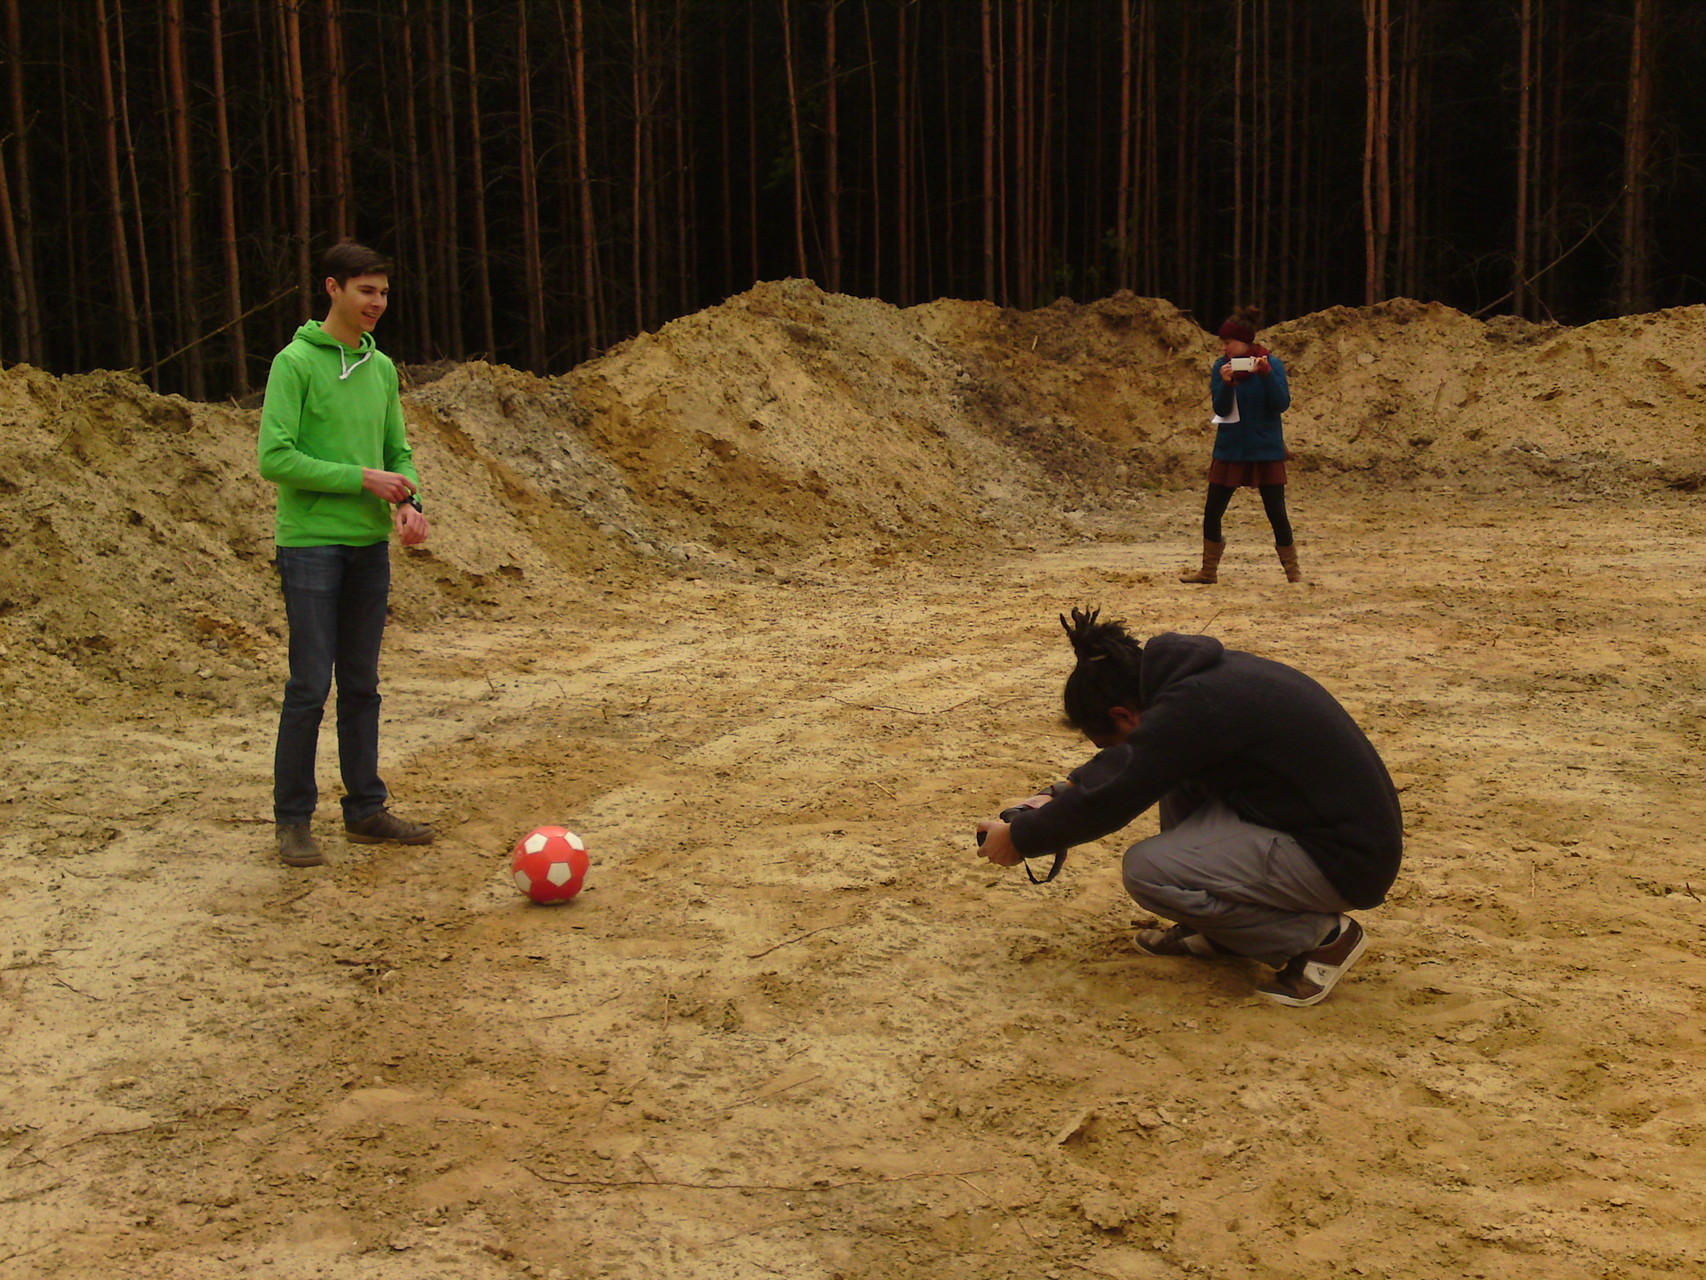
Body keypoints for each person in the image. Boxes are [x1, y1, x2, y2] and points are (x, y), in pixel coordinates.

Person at [975, 608, 1402, 1007]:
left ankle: (1322, 939)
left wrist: (1020, 839)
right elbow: (1131, 762)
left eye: (1108, 738)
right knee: (1176, 782)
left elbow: (1117, 792)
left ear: (1123, 714)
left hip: (1343, 861)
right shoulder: (1197, 683)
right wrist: (1058, 792)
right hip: (1325, 832)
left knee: (1147, 870)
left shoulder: (1197, 704)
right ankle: (1221, 933)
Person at [258, 241, 435, 867]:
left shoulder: (382, 369)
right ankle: (293, 821)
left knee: (362, 685)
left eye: (384, 292)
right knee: (309, 684)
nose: (378, 303)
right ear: (332, 288)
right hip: (309, 545)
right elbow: (274, 459)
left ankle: (365, 810)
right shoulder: (294, 363)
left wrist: (407, 501)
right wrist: (362, 479)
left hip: (367, 547)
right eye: (366, 291)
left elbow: (398, 453)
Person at [1179, 306, 1302, 585]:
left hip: (1265, 449)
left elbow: (1281, 403)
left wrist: (1266, 373)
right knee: (1212, 511)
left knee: (1276, 513)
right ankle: (1208, 571)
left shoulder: (1273, 364)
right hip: (1230, 448)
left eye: (1228, 342)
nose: (1224, 348)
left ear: (1245, 342)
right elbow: (1221, 409)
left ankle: (1293, 573)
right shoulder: (1220, 367)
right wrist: (1226, 384)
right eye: (1223, 342)